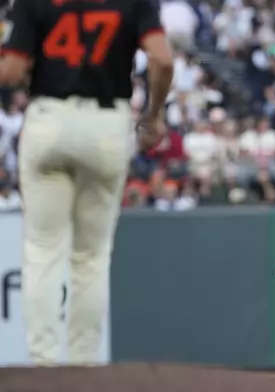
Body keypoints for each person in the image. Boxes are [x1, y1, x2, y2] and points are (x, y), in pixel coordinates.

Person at [0, 0, 174, 365]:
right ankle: (83, 365)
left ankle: (43, 364)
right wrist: (154, 115)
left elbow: (11, 71)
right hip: (107, 125)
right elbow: (162, 58)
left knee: (43, 251)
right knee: (91, 257)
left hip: (49, 117)